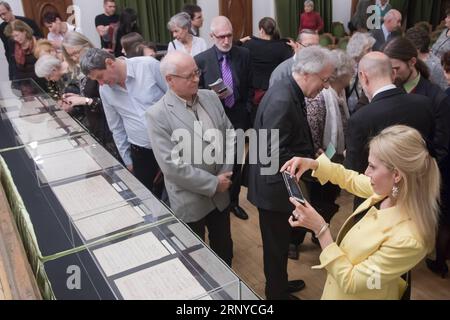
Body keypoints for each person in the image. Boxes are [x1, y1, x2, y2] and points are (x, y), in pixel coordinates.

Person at [282, 124, 441, 300]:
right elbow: (351, 179)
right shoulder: (388, 192)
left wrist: (321, 229)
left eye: (372, 167)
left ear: (396, 175)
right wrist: (313, 164)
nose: (366, 172)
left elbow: (352, 281)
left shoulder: (410, 239)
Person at [248, 45, 334, 300]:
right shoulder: (284, 99)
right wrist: (310, 160)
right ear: (308, 73)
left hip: (278, 186)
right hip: (273, 190)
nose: (327, 86)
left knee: (281, 244)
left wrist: (310, 150)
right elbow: (274, 155)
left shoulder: (289, 89)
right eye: (325, 79)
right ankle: (275, 295)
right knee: (275, 248)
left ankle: (280, 285)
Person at [146, 51, 234, 266]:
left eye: (197, 72)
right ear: (170, 80)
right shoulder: (157, 115)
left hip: (221, 195)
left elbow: (230, 134)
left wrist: (225, 172)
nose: (197, 79)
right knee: (196, 259)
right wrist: (214, 183)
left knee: (224, 250)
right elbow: (172, 167)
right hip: (190, 200)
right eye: (189, 76)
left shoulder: (211, 97)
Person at [80, 48, 167, 194]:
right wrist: (128, 160)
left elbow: (174, 95)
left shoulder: (148, 66)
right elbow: (116, 127)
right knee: (148, 197)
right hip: (141, 153)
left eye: (100, 77)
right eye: (96, 80)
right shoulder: (105, 90)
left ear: (109, 63)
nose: (101, 83)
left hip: (171, 144)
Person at [195, 16, 253, 220]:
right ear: (212, 36)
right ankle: (216, 202)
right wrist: (210, 95)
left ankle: (233, 202)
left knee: (236, 163)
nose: (227, 41)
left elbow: (249, 86)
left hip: (238, 117)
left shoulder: (244, 54)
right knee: (215, 162)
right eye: (221, 37)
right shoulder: (201, 59)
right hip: (212, 119)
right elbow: (195, 92)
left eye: (229, 35)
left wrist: (246, 110)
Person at [344, 51, 435, 176]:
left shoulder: (359, 119)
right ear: (393, 74)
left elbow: (353, 171)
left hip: (377, 192)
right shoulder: (425, 104)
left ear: (363, 76)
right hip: (419, 189)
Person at [383, 37, 450, 165]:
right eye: (388, 70)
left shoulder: (437, 98)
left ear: (412, 62)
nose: (392, 75)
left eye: (396, 69)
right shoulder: (387, 88)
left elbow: (440, 149)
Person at [62, 32, 117, 158]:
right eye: (71, 55)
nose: (75, 58)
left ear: (86, 45)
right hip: (96, 128)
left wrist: (83, 100)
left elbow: (110, 103)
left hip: (109, 129)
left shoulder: (100, 66)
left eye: (76, 52)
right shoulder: (79, 70)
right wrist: (74, 102)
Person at [240, 17, 292, 115]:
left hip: (254, 94)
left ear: (262, 30)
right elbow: (290, 67)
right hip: (275, 93)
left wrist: (240, 41)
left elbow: (233, 51)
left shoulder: (250, 44)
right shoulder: (284, 46)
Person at [0, 1, 43, 80]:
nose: (2, 17)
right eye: (0, 15)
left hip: (36, 64)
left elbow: (41, 41)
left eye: (4, 13)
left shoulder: (28, 22)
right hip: (19, 68)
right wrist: (12, 75)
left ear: (10, 10)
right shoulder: (2, 28)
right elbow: (8, 51)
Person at [4, 20, 45, 87]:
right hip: (23, 83)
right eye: (13, 36)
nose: (15, 39)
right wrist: (13, 81)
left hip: (40, 81)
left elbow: (44, 67)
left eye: (17, 35)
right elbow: (13, 64)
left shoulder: (39, 42)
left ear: (24, 31)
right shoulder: (13, 43)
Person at [405, 27, 448, 91]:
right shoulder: (411, 59)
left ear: (417, 49)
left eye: (407, 46)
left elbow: (444, 91)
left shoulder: (436, 67)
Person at [345, 32, 376, 114]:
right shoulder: (345, 69)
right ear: (357, 50)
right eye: (368, 50)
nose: (372, 52)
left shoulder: (371, 68)